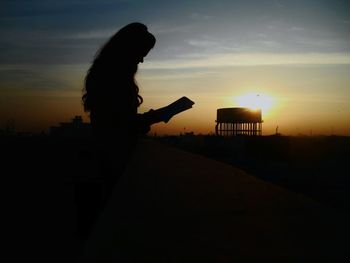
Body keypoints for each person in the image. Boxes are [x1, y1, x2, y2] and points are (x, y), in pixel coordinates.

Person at [79, 22, 159, 239]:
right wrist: (151, 118)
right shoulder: (114, 79)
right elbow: (118, 124)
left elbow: (117, 119)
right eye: (141, 54)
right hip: (115, 156)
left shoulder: (103, 73)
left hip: (110, 154)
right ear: (129, 50)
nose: (141, 60)